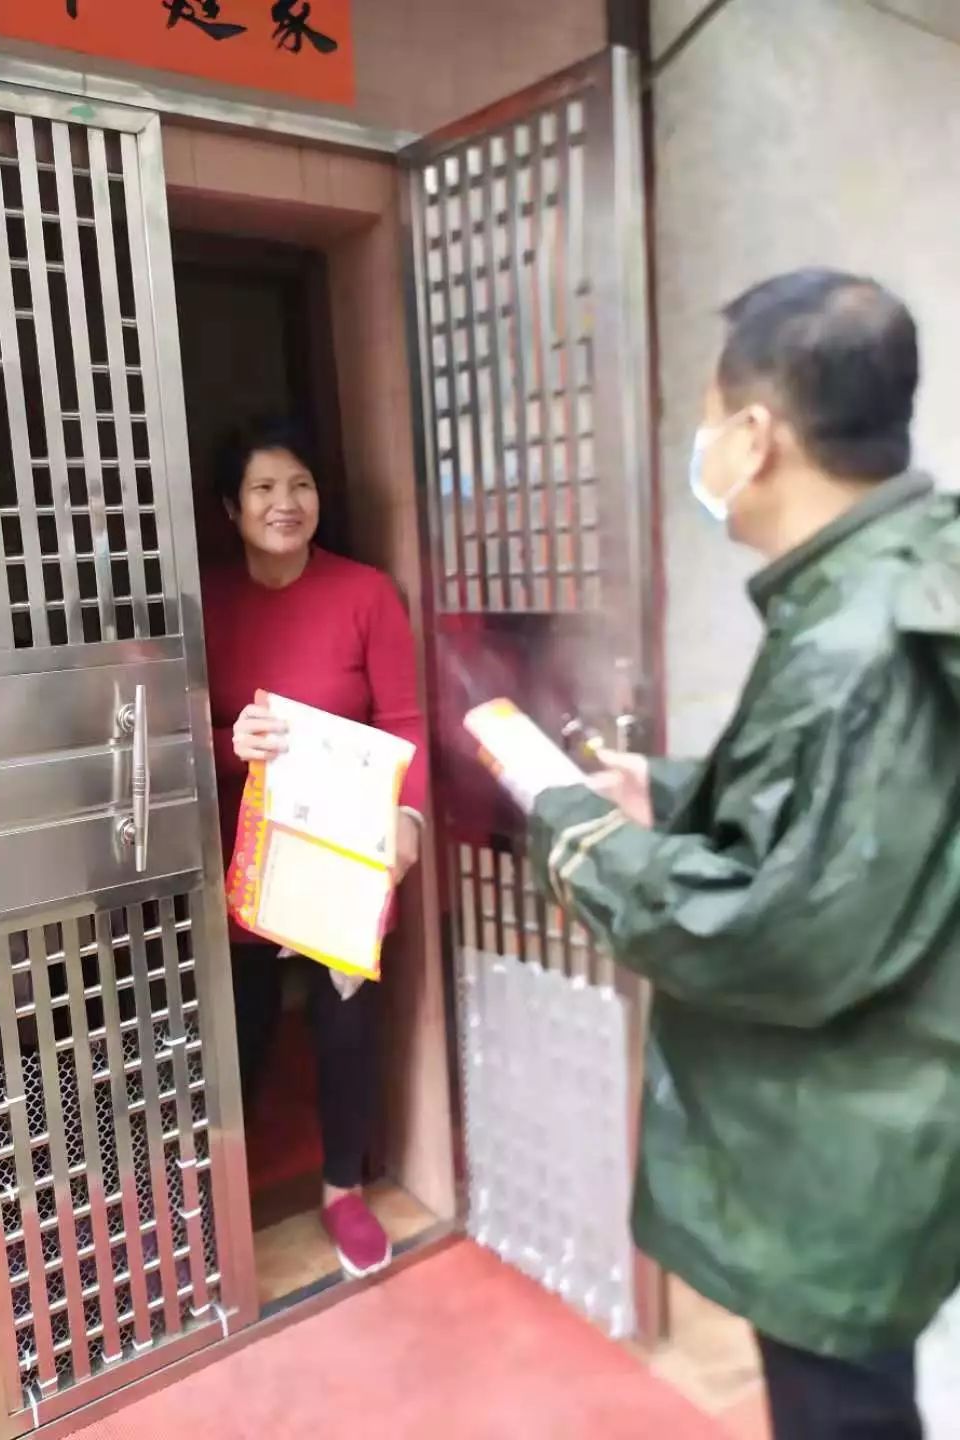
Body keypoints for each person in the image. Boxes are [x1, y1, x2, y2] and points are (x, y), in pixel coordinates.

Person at [528, 270, 960, 1440]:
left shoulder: (856, 640)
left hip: (845, 1141)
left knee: (841, 1413)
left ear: (759, 436)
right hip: (876, 1110)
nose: (704, 443)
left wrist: (582, 841)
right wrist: (666, 795)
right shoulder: (896, 572)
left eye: (711, 415)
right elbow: (856, 815)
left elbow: (777, 929)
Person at [202, 415, 427, 1279]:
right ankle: (219, 1205)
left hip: (345, 854)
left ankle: (342, 1191)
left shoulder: (365, 593)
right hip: (245, 859)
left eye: (299, 485)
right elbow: (160, 736)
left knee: (346, 1028)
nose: (284, 503)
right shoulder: (204, 602)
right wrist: (229, 744)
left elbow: (404, 720)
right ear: (232, 508)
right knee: (241, 1030)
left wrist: (407, 822)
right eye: (263, 488)